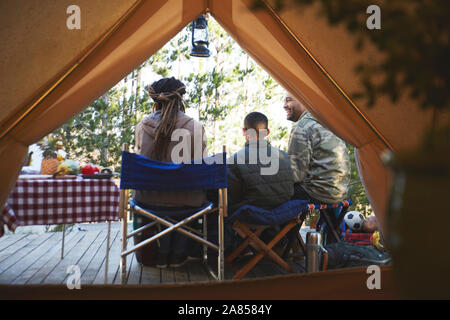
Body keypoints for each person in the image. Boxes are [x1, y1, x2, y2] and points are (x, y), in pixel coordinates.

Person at [134, 77, 208, 268]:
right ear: (181, 98)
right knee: (193, 198)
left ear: (155, 100)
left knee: (164, 200)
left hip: (148, 199)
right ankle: (179, 254)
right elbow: (202, 165)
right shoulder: (196, 127)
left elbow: (139, 161)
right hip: (188, 200)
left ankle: (159, 253)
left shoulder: (142, 127)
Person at [283, 92, 350, 242]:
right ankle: (330, 244)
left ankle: (278, 244)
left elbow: (296, 175)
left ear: (304, 100)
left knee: (273, 194)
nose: (284, 105)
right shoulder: (329, 122)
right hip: (340, 191)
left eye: (289, 100)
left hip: (319, 192)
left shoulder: (302, 126)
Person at [227, 112, 294, 213]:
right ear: (267, 132)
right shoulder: (284, 156)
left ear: (244, 131)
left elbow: (232, 198)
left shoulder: (235, 160)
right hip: (282, 216)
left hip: (252, 216)